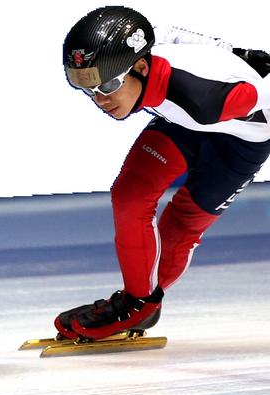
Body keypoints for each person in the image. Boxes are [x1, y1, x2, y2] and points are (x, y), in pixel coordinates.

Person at [55, 6, 270, 341]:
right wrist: (230, 50)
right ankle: (138, 303)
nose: (100, 99)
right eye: (87, 87)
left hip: (239, 140)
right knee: (130, 195)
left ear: (141, 67)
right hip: (182, 123)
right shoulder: (143, 59)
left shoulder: (208, 99)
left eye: (108, 85)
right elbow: (164, 32)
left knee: (182, 226)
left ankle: (140, 304)